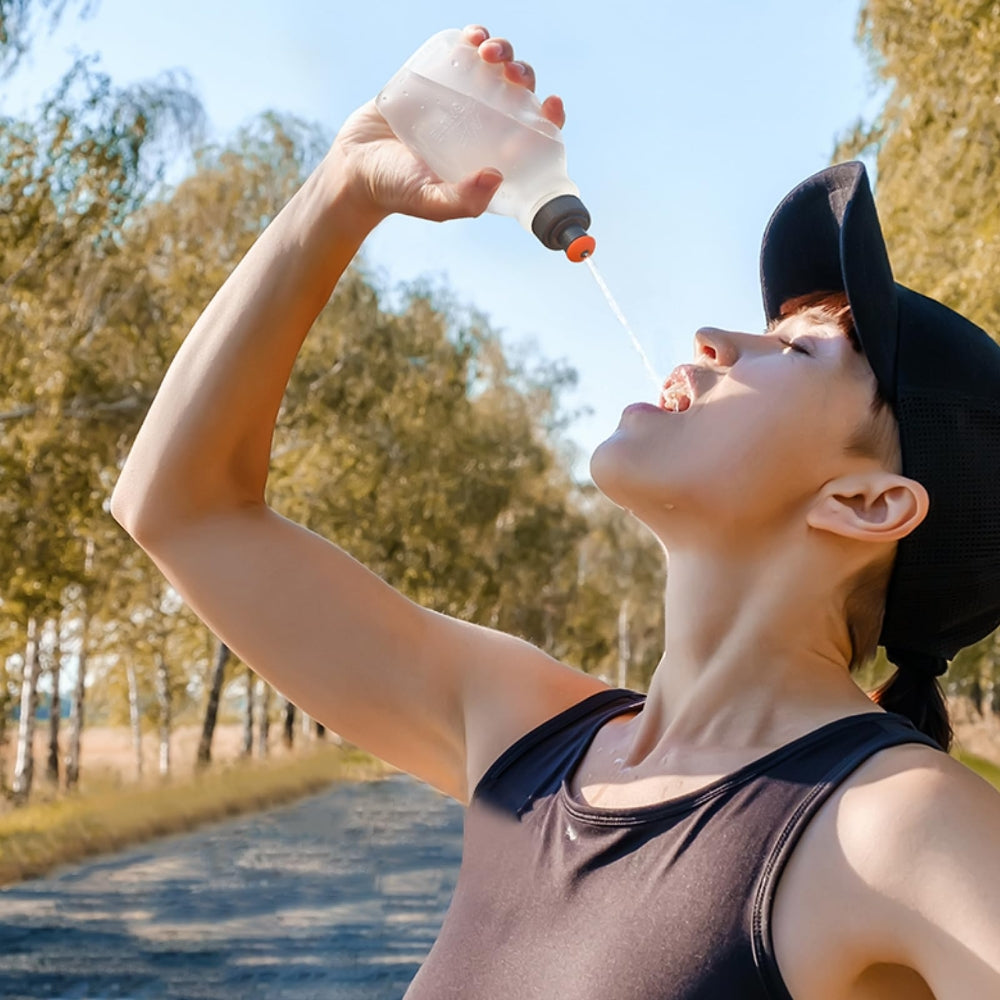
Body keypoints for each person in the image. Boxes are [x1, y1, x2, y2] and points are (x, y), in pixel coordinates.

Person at [110, 24, 1000, 1000]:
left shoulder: (899, 825)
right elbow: (182, 508)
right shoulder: (525, 733)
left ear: (869, 502)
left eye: (796, 352)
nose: (709, 337)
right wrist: (342, 189)